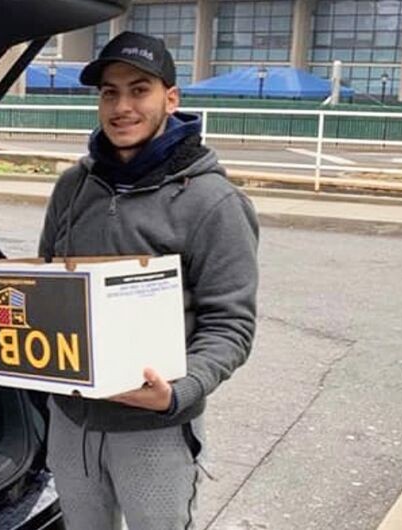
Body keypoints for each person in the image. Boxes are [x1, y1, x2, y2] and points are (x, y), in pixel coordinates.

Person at [37, 31, 259, 530]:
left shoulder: (213, 203)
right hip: (71, 421)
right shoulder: (73, 186)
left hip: (155, 425)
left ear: (171, 99)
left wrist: (177, 393)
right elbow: (49, 286)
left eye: (139, 90)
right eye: (109, 93)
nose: (121, 106)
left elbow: (231, 326)